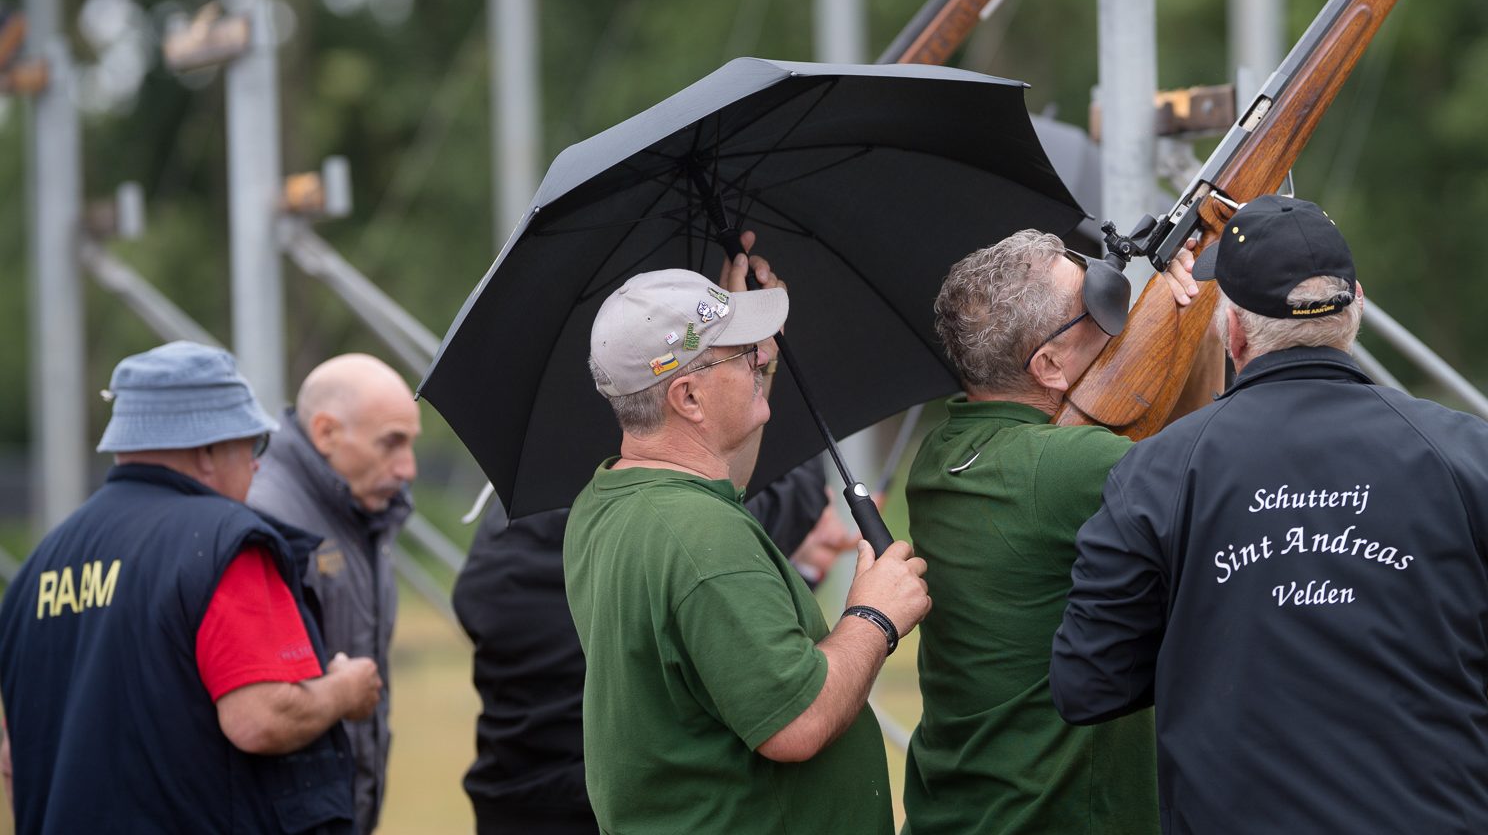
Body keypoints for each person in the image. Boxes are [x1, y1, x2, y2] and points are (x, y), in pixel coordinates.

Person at [1051, 196, 1488, 834]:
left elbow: (1089, 681)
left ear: (1235, 330)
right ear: (1356, 307)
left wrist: (1209, 645)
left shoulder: (1155, 473)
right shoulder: (1483, 460)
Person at [564, 245, 929, 833]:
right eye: (743, 355)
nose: (762, 355)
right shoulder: (700, 538)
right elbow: (798, 723)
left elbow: (716, 464)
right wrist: (874, 616)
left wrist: (750, 370)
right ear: (687, 398)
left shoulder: (610, 500)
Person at [0, 341, 382, 834]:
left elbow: (13, 758)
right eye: (253, 445)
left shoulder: (40, 564)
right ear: (207, 450)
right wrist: (344, 692)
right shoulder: (224, 541)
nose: (258, 465)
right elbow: (260, 718)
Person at [900, 229, 1210, 834]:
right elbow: (1222, 474)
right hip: (1060, 816)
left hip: (958, 809)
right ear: (1047, 366)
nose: (1112, 304)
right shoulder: (1065, 466)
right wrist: (1201, 316)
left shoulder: (939, 455)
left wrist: (1180, 329)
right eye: (1093, 302)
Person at [453, 454, 853, 835]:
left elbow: (699, 610)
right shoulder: (661, 519)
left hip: (516, 791)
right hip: (600, 799)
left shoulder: (520, 516)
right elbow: (708, 585)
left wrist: (800, 562)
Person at [247, 353, 421, 834]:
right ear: (326, 433)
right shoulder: (266, 520)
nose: (407, 467)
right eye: (392, 443)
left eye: (410, 444)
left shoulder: (364, 512)